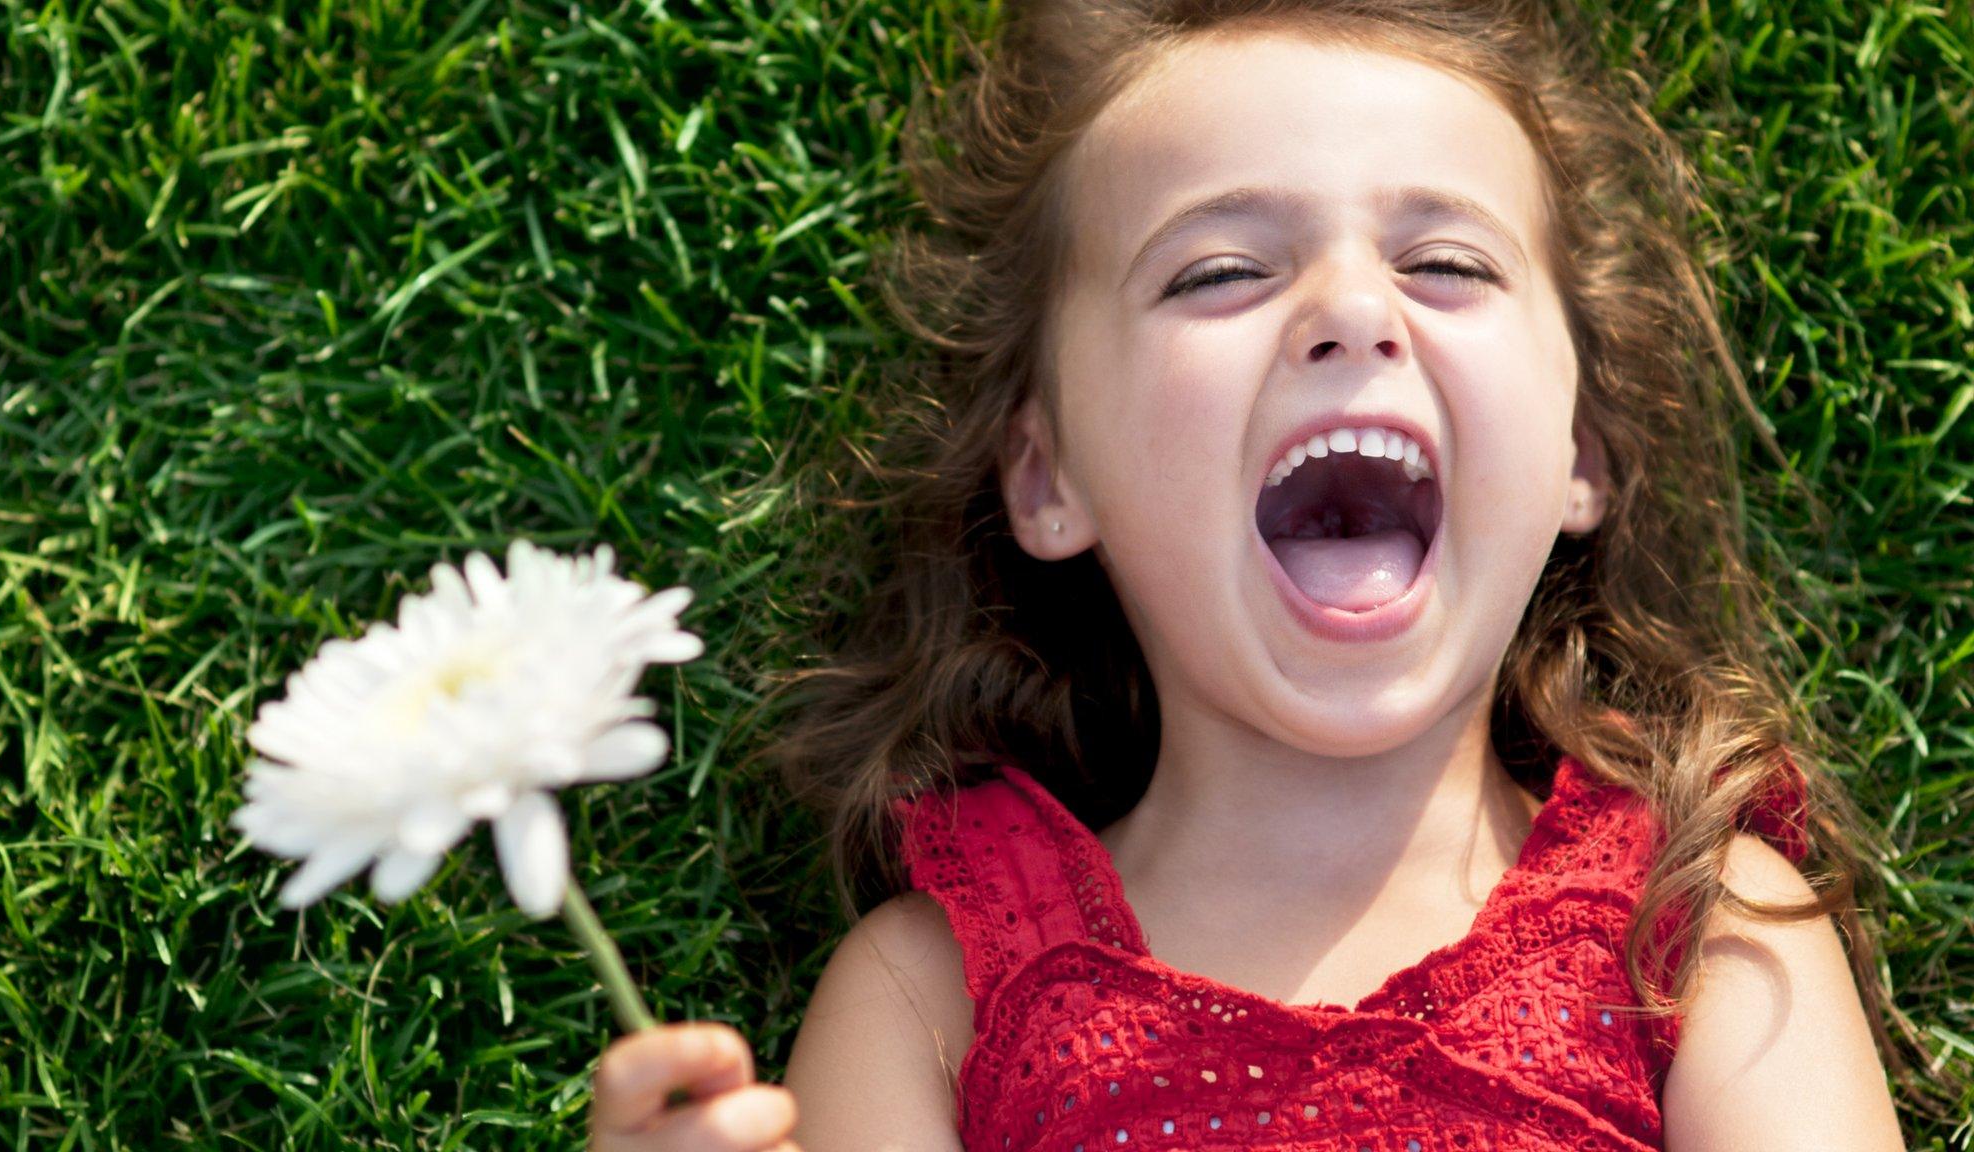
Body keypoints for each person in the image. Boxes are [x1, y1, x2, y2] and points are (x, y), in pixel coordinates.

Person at [586, 0, 1919, 1148]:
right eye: (1219, 271)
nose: (1350, 308)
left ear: (1581, 449)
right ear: (1050, 477)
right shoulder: (936, 998)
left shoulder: (1699, 934)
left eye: (1445, 262)